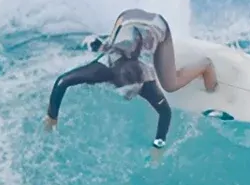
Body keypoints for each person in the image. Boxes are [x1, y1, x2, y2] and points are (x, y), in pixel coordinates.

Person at [44, 9, 217, 149]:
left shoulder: (146, 81)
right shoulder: (103, 69)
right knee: (110, 51)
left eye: (133, 92)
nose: (130, 96)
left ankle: (206, 67)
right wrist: (52, 118)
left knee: (170, 84)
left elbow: (165, 112)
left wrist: (158, 145)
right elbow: (62, 82)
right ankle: (100, 43)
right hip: (125, 20)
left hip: (156, 25)